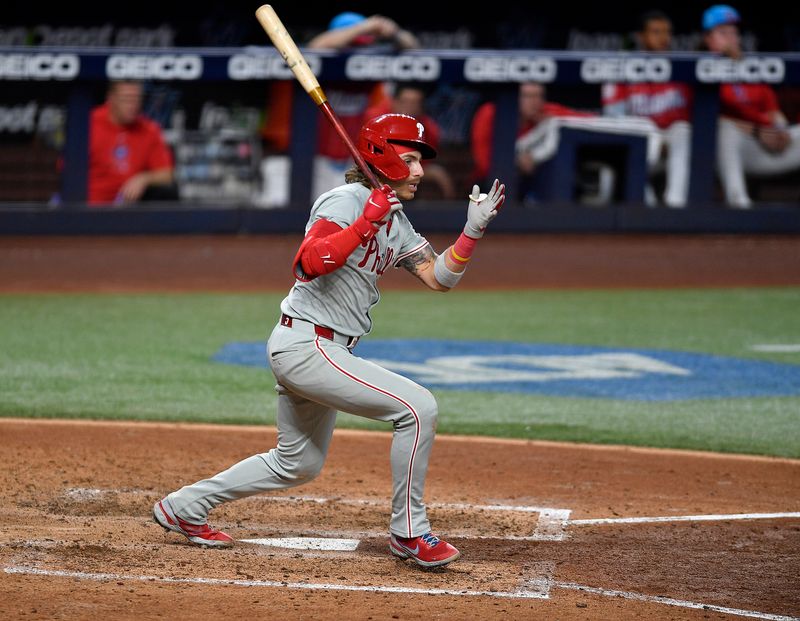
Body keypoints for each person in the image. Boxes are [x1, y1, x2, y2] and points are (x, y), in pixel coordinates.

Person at [153, 113, 506, 569]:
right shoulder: (345, 201)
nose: (419, 171)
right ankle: (409, 534)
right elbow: (307, 264)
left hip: (320, 348)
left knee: (296, 464)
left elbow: (439, 278)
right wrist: (364, 223)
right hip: (307, 347)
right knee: (418, 409)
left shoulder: (395, 220)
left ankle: (183, 507)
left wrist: (471, 231)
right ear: (384, 156)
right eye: (412, 159)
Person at [471, 82, 659, 204]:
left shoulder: (546, 112)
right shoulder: (490, 114)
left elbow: (587, 120)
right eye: (528, 96)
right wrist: (514, 163)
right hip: (490, 183)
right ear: (514, 96)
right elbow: (483, 162)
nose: (536, 102)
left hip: (532, 180)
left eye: (539, 95)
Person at [306, 12, 420, 198]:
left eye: (363, 44)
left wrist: (393, 32)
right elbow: (316, 47)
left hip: (354, 159)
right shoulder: (320, 65)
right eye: (352, 44)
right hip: (316, 157)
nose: (358, 50)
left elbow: (413, 49)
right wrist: (363, 28)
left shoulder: (370, 72)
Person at [702, 4, 800, 208]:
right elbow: (707, 119)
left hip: (765, 146)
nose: (731, 38)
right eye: (723, 33)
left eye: (734, 32)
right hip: (727, 153)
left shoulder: (751, 68)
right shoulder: (701, 69)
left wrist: (780, 130)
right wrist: (757, 131)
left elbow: (774, 111)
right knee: (725, 131)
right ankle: (738, 202)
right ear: (708, 39)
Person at [602, 10, 693, 207]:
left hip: (671, 141)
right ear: (641, 36)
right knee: (643, 131)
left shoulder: (683, 67)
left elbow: (692, 116)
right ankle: (646, 206)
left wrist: (663, 138)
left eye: (667, 32)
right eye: (656, 32)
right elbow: (613, 120)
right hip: (640, 145)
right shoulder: (622, 69)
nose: (664, 38)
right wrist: (653, 136)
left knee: (683, 132)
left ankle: (675, 204)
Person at [88, 80, 176, 206]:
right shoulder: (89, 124)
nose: (132, 105)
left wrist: (144, 178)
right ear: (111, 98)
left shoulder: (149, 130)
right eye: (127, 99)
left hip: (128, 209)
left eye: (136, 99)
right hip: (88, 207)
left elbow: (167, 175)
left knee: (166, 192)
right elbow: (67, 171)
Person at [364, 82, 456, 199]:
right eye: (405, 102)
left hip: (407, 177)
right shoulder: (374, 120)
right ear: (394, 102)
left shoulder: (429, 129)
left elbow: (422, 163)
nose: (409, 108)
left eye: (415, 103)